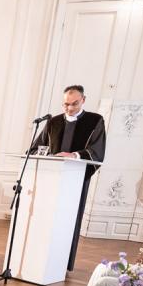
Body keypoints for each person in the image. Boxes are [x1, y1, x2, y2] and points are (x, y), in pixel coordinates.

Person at [31, 84, 107, 270]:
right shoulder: (53, 122)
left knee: (67, 221)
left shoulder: (94, 121)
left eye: (74, 103)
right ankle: (39, 257)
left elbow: (97, 151)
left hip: (75, 179)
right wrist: (43, 156)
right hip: (51, 180)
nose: (70, 108)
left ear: (83, 100)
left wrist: (74, 155)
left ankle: (61, 262)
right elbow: (36, 148)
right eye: (66, 104)